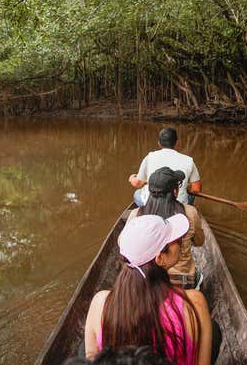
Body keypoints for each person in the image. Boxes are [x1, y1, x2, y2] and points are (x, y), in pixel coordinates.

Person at [83, 214, 213, 365]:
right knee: (214, 331)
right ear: (159, 259)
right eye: (175, 241)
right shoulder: (194, 303)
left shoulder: (99, 303)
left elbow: (91, 359)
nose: (180, 242)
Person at [129, 167, 204, 289]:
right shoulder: (190, 212)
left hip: (147, 280)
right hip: (183, 281)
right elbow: (200, 242)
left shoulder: (135, 215)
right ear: (175, 192)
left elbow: (122, 243)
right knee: (198, 275)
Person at [129, 127, 201, 206]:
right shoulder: (189, 160)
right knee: (190, 195)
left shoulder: (149, 157)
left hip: (151, 204)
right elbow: (196, 189)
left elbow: (137, 184)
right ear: (177, 143)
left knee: (138, 193)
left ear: (159, 143)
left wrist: (132, 178)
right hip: (179, 204)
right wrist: (186, 187)